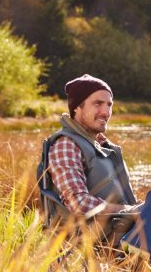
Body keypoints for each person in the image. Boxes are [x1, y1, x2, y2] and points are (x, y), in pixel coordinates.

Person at [45, 74, 139, 239]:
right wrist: (129, 211)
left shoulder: (102, 145)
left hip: (124, 229)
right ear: (77, 108)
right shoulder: (66, 144)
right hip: (97, 237)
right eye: (97, 104)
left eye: (109, 105)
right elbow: (78, 203)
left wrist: (141, 209)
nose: (105, 112)